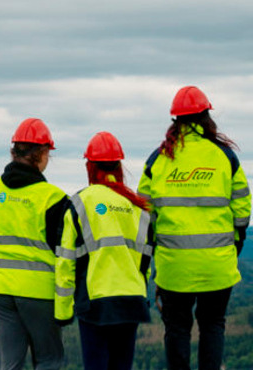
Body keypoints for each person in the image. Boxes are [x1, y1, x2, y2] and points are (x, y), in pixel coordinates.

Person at [137, 86, 252, 370]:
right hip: (217, 264)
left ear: (175, 120)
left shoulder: (158, 159)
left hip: (174, 266)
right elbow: (242, 209)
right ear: (206, 117)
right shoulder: (224, 156)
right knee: (213, 325)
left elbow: (144, 215)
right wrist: (233, 245)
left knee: (177, 329)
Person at [55, 131, 153, 370]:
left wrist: (62, 311)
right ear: (119, 166)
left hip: (95, 303)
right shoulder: (138, 207)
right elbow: (144, 265)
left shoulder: (79, 202)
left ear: (90, 166)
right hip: (131, 301)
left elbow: (66, 261)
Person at [0, 118, 68, 370]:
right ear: (42, 154)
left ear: (14, 151)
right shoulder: (52, 198)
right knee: (49, 359)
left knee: (10, 363)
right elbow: (63, 252)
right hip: (38, 291)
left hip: (0, 289)